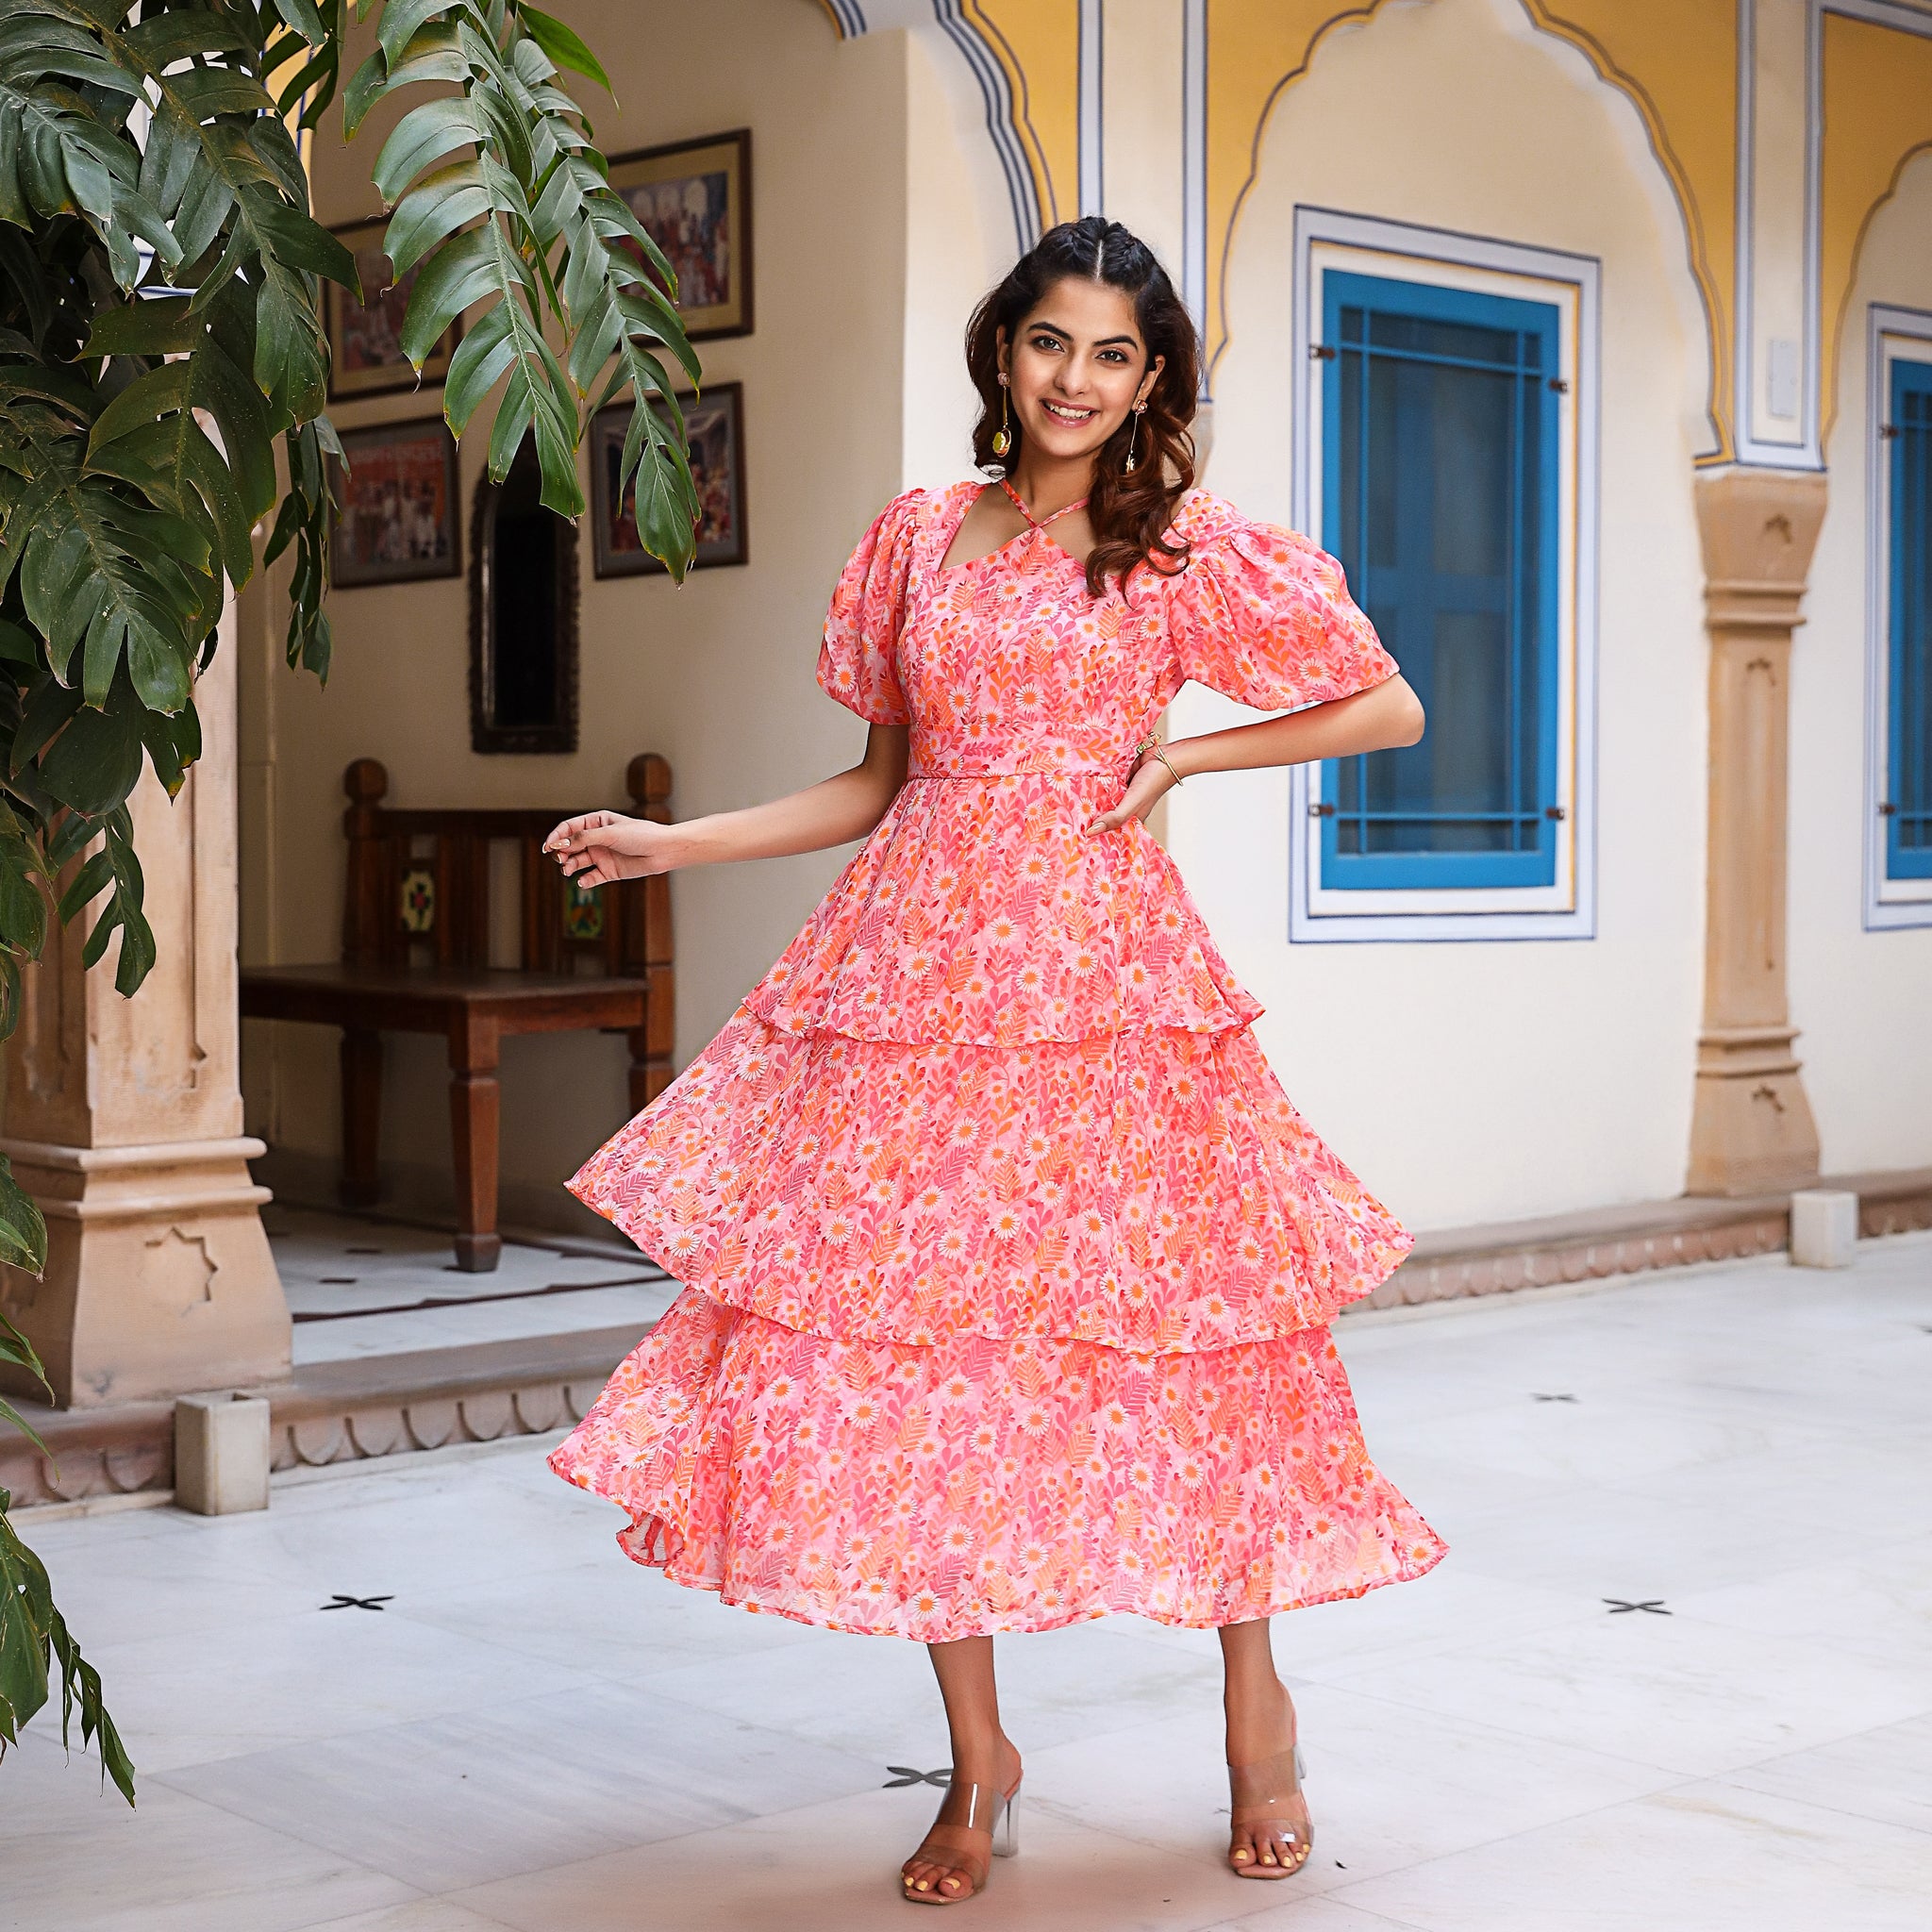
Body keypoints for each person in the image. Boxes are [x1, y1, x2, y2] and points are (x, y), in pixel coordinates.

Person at [542, 215, 1447, 1906]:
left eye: (1115, 354)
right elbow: (876, 782)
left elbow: (1383, 705)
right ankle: (981, 1763)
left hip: (1105, 993)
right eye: (1051, 343)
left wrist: (1182, 759)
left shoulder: (1180, 545)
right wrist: (680, 846)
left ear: (1152, 374)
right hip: (914, 987)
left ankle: (1259, 1721)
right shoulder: (915, 537)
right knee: (917, 1370)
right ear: (1003, 349)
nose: (1077, 381)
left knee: (1190, 1342)